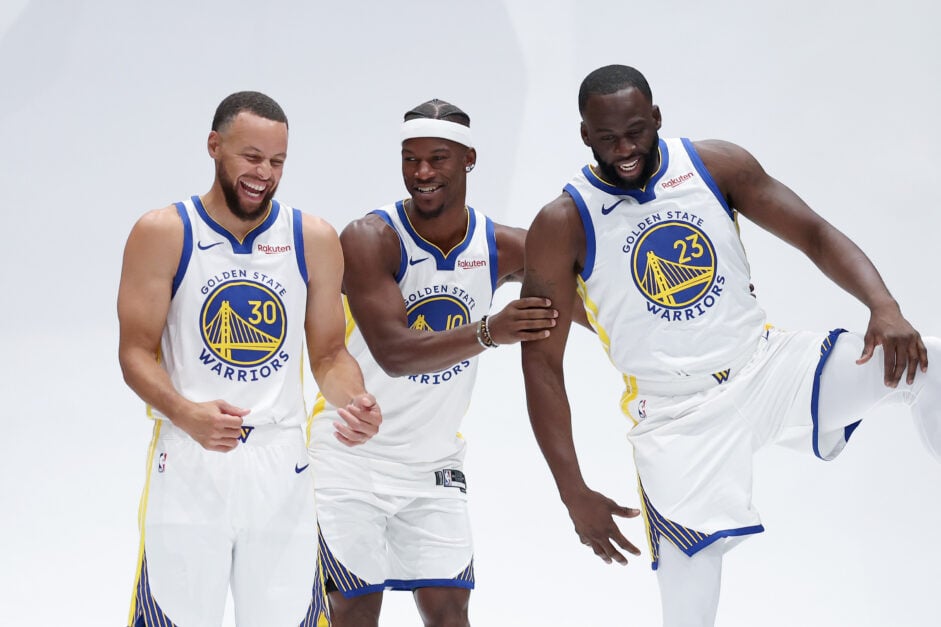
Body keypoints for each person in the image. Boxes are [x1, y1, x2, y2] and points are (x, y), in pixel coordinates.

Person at [520, 64, 941, 627]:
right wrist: (572, 492)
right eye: (607, 137)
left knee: (930, 361)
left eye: (636, 132)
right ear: (583, 134)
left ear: (657, 118)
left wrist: (882, 305)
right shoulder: (563, 222)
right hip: (677, 417)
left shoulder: (715, 166)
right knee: (688, 614)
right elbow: (542, 365)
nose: (624, 149)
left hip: (766, 368)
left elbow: (814, 233)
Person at [118, 91, 382, 627]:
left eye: (277, 161)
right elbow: (134, 353)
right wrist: (185, 412)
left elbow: (329, 355)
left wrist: (354, 401)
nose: (265, 173)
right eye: (252, 157)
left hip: (280, 463)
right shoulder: (164, 232)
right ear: (214, 146)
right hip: (191, 456)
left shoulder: (312, 238)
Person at [307, 99, 562, 627]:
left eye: (437, 158)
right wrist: (492, 330)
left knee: (450, 611)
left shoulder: (498, 245)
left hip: (434, 464)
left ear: (469, 159)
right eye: (410, 159)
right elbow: (395, 354)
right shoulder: (370, 238)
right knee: (354, 609)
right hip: (351, 458)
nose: (421, 172)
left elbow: (589, 293)